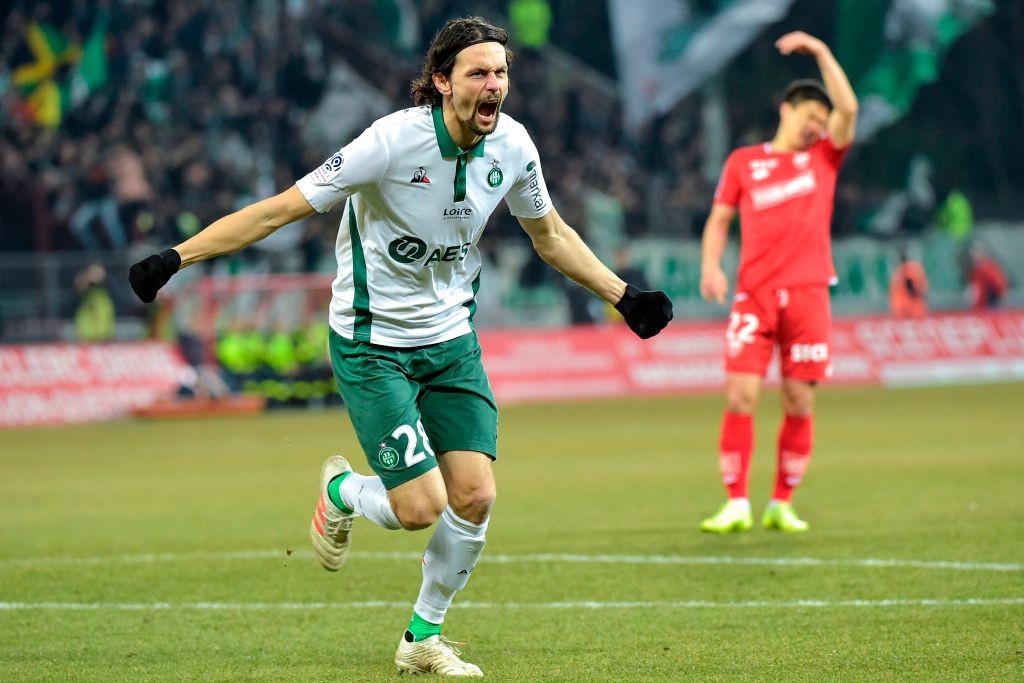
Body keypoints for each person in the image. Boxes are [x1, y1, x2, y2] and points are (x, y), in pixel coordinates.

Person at [128, 16, 672, 677]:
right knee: (421, 507)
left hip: (450, 340)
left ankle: (421, 637)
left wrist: (623, 295)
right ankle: (343, 489)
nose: (493, 84)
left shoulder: (515, 148)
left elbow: (550, 233)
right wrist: (176, 257)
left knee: (474, 496)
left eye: (501, 72)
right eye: (478, 72)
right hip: (371, 342)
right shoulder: (389, 143)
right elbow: (278, 209)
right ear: (442, 82)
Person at [697, 31, 858, 534]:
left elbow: (848, 110)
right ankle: (736, 502)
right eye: (810, 117)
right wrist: (711, 265)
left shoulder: (824, 159)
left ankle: (782, 502)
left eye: (821, 122)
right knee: (740, 395)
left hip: (809, 295)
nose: (816, 128)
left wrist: (823, 52)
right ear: (787, 110)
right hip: (755, 296)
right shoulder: (745, 162)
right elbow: (720, 218)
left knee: (800, 401)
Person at [889, 247, 928, 318]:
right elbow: (912, 285)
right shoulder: (910, 267)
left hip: (905, 307)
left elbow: (910, 284)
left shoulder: (902, 269)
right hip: (910, 307)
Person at [965, 245, 1008, 310]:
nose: (974, 256)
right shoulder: (977, 270)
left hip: (989, 305)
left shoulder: (987, 267)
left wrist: (993, 299)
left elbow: (999, 285)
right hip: (981, 306)